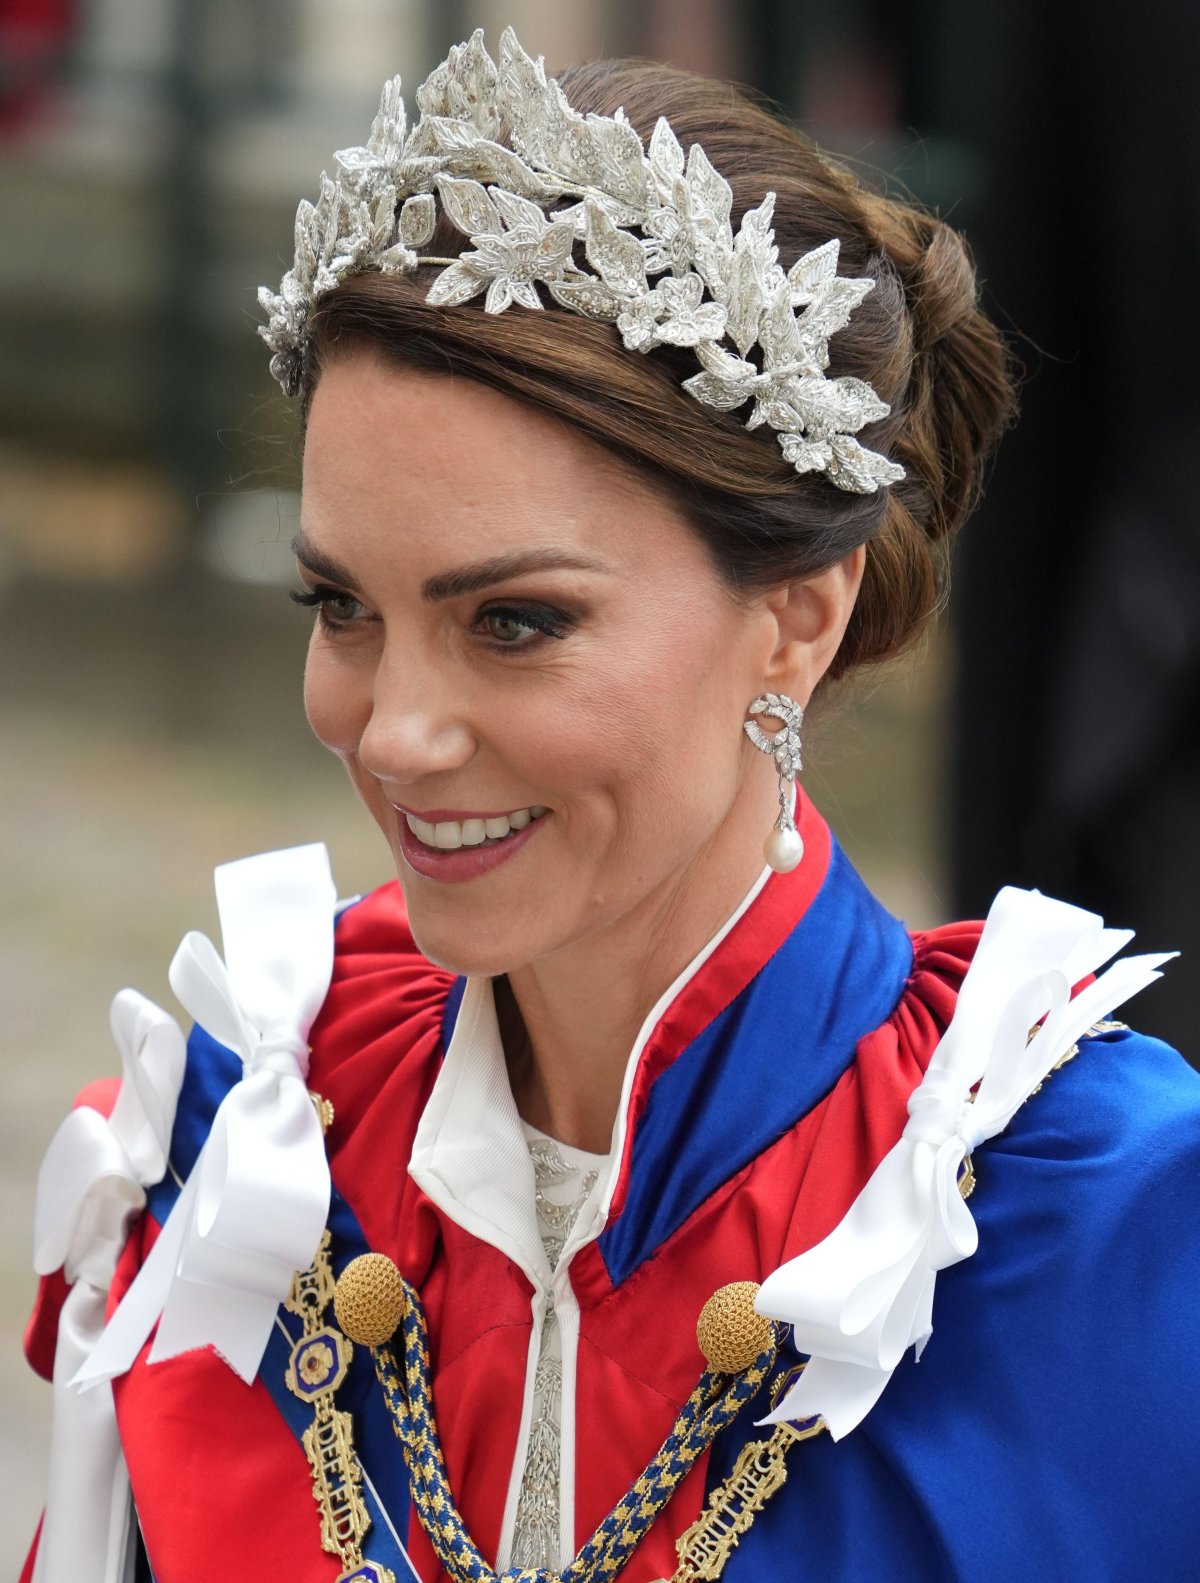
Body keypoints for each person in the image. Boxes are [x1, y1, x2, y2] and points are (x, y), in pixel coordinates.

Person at [21, 26, 1200, 1583]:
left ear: (800, 616)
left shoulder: (1115, 1238)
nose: (394, 730)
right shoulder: (231, 1157)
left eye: (514, 621)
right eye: (340, 602)